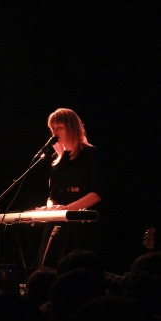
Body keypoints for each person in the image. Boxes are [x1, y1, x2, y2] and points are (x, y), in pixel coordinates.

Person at [35, 108, 104, 269]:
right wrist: (51, 209)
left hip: (84, 223)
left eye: (59, 127)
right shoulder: (55, 159)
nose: (54, 133)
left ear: (71, 127)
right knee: (47, 267)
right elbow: (53, 194)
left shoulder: (91, 154)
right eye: (52, 129)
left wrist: (66, 209)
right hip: (59, 221)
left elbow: (97, 193)